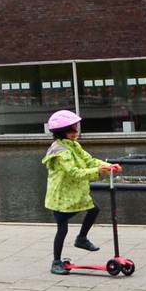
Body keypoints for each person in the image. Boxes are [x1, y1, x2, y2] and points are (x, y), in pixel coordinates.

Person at [43, 109, 121, 274]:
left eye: (75, 129)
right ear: (60, 132)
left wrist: (108, 166)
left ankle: (81, 239)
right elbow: (74, 172)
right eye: (71, 130)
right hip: (61, 196)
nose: (75, 133)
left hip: (76, 193)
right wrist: (98, 172)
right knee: (62, 228)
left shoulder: (73, 145)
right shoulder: (60, 151)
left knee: (94, 210)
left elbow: (89, 160)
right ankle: (56, 262)